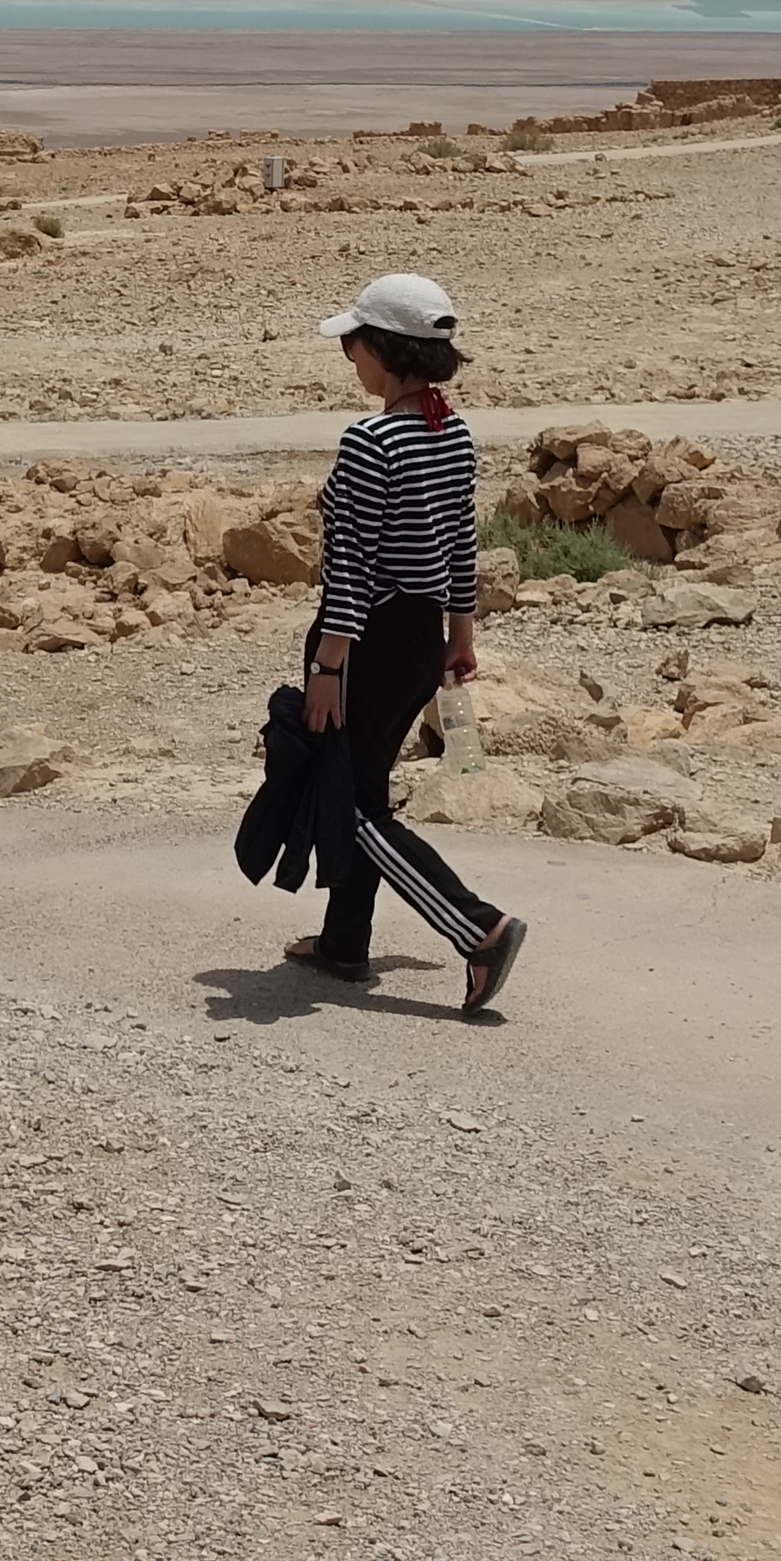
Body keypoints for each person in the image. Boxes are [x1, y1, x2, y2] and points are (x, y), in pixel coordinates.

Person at [287, 274, 527, 1011]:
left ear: (384, 350)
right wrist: (460, 636)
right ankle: (343, 944)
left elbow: (351, 567)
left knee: (352, 807)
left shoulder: (370, 439)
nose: (348, 356)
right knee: (360, 784)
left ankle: (477, 927)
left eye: (355, 342)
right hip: (420, 636)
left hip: (365, 642)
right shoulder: (449, 430)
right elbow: (462, 541)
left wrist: (329, 665)